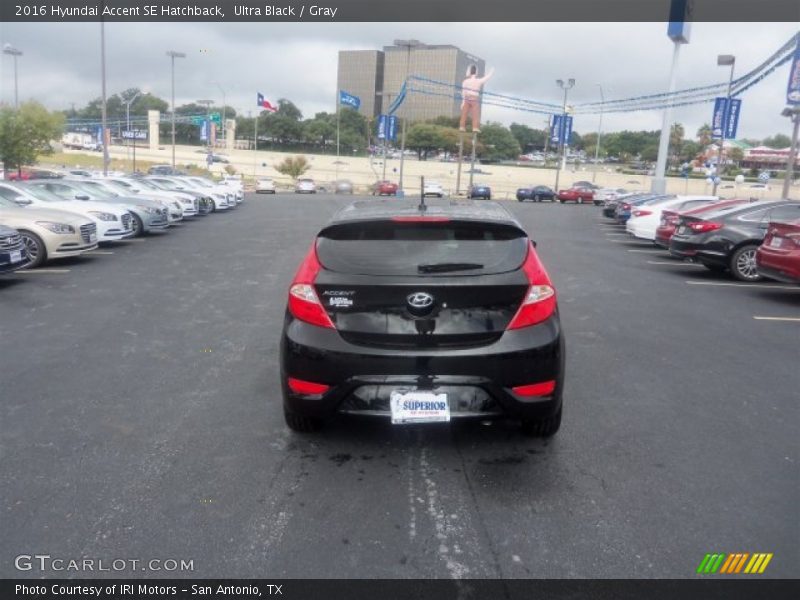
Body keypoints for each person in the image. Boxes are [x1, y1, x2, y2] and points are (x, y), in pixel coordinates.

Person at [459, 64, 494, 133]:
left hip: (466, 98)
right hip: (474, 98)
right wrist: (491, 72)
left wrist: (462, 102)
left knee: (464, 114)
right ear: (476, 72)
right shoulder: (479, 81)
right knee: (475, 114)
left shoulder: (465, 81)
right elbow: (487, 77)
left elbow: (463, 92)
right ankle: (475, 127)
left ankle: (462, 127)